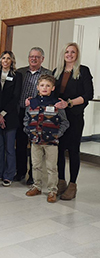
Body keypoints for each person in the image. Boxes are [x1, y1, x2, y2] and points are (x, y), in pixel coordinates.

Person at [53, 42, 94, 200]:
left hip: (75, 117)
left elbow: (88, 95)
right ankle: (61, 182)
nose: (69, 55)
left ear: (77, 55)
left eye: (73, 52)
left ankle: (72, 185)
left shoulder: (83, 71)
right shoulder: (57, 72)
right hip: (59, 119)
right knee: (59, 150)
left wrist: (68, 103)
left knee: (74, 151)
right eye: (67, 52)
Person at [24, 75, 69, 203]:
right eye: (42, 85)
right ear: (37, 87)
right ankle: (36, 186)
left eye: (48, 86)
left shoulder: (57, 104)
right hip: (35, 141)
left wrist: (57, 135)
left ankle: (52, 190)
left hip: (51, 142)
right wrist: (29, 132)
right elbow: (26, 120)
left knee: (51, 167)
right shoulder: (31, 102)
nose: (45, 88)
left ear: (53, 88)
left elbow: (65, 122)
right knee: (35, 165)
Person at [15, 47, 52, 184]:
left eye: (37, 57)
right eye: (31, 56)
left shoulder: (48, 74)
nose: (33, 59)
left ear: (42, 59)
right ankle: (20, 172)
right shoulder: (20, 72)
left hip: (38, 115)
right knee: (20, 144)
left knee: (35, 146)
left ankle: (33, 175)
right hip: (20, 112)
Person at [0, 51, 22, 187]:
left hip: (10, 116)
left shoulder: (17, 76)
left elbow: (15, 97)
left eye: (8, 58)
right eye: (3, 58)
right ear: (0, 60)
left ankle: (9, 175)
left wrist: (3, 114)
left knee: (10, 148)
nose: (5, 60)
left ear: (12, 61)